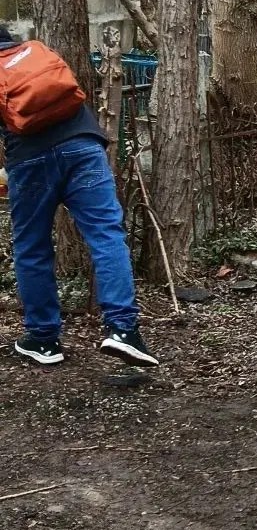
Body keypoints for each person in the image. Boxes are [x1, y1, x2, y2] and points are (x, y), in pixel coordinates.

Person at [0, 26, 157, 367]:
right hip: (83, 147)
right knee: (107, 234)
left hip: (29, 161)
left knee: (32, 247)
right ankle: (123, 330)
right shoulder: (35, 52)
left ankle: (43, 339)